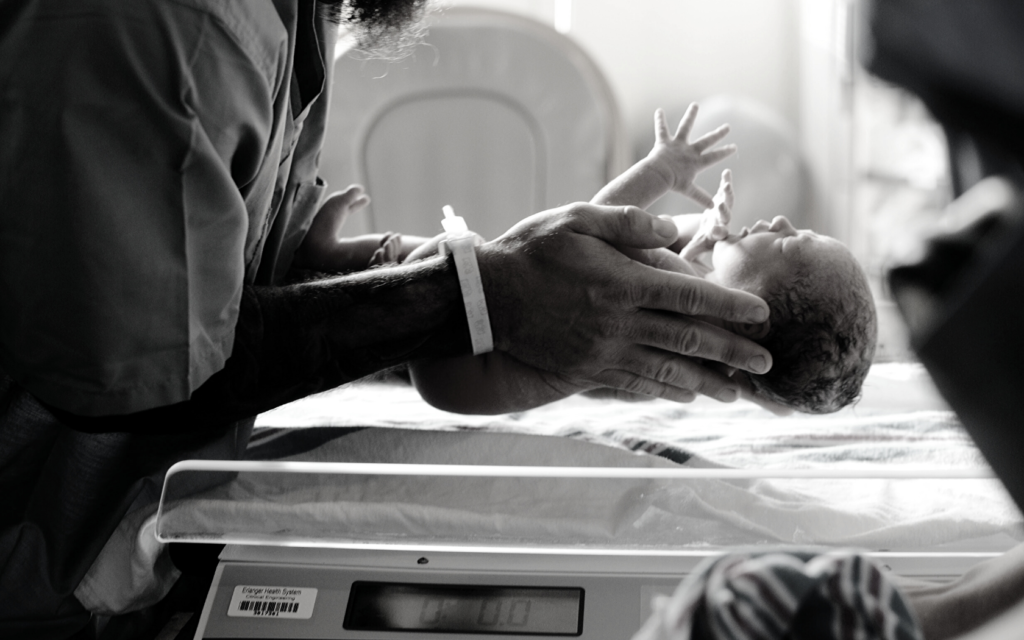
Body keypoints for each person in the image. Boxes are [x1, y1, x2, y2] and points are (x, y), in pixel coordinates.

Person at [0, 1, 773, 636]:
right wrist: (474, 292)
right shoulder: (164, 25)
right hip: (36, 553)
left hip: (131, 533)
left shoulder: (292, 18)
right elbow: (145, 365)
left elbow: (195, 268)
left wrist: (356, 270)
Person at [409, 107, 877, 415]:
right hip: (464, 378)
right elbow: (780, 395)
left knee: (424, 257)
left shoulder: (678, 297)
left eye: (788, 245)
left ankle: (349, 260)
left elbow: (595, 228)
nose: (781, 221)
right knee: (417, 256)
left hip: (464, 358)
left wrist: (662, 171)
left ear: (752, 318)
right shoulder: (709, 354)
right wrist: (706, 241)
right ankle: (342, 255)